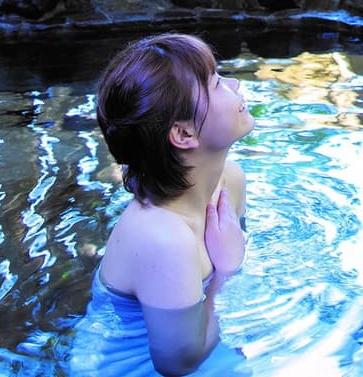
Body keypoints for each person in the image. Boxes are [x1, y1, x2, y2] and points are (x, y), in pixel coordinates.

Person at [69, 33, 253, 377]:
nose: (235, 84)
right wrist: (227, 271)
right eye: (215, 84)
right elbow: (177, 362)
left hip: (210, 346)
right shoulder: (162, 237)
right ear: (183, 134)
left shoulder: (230, 181)